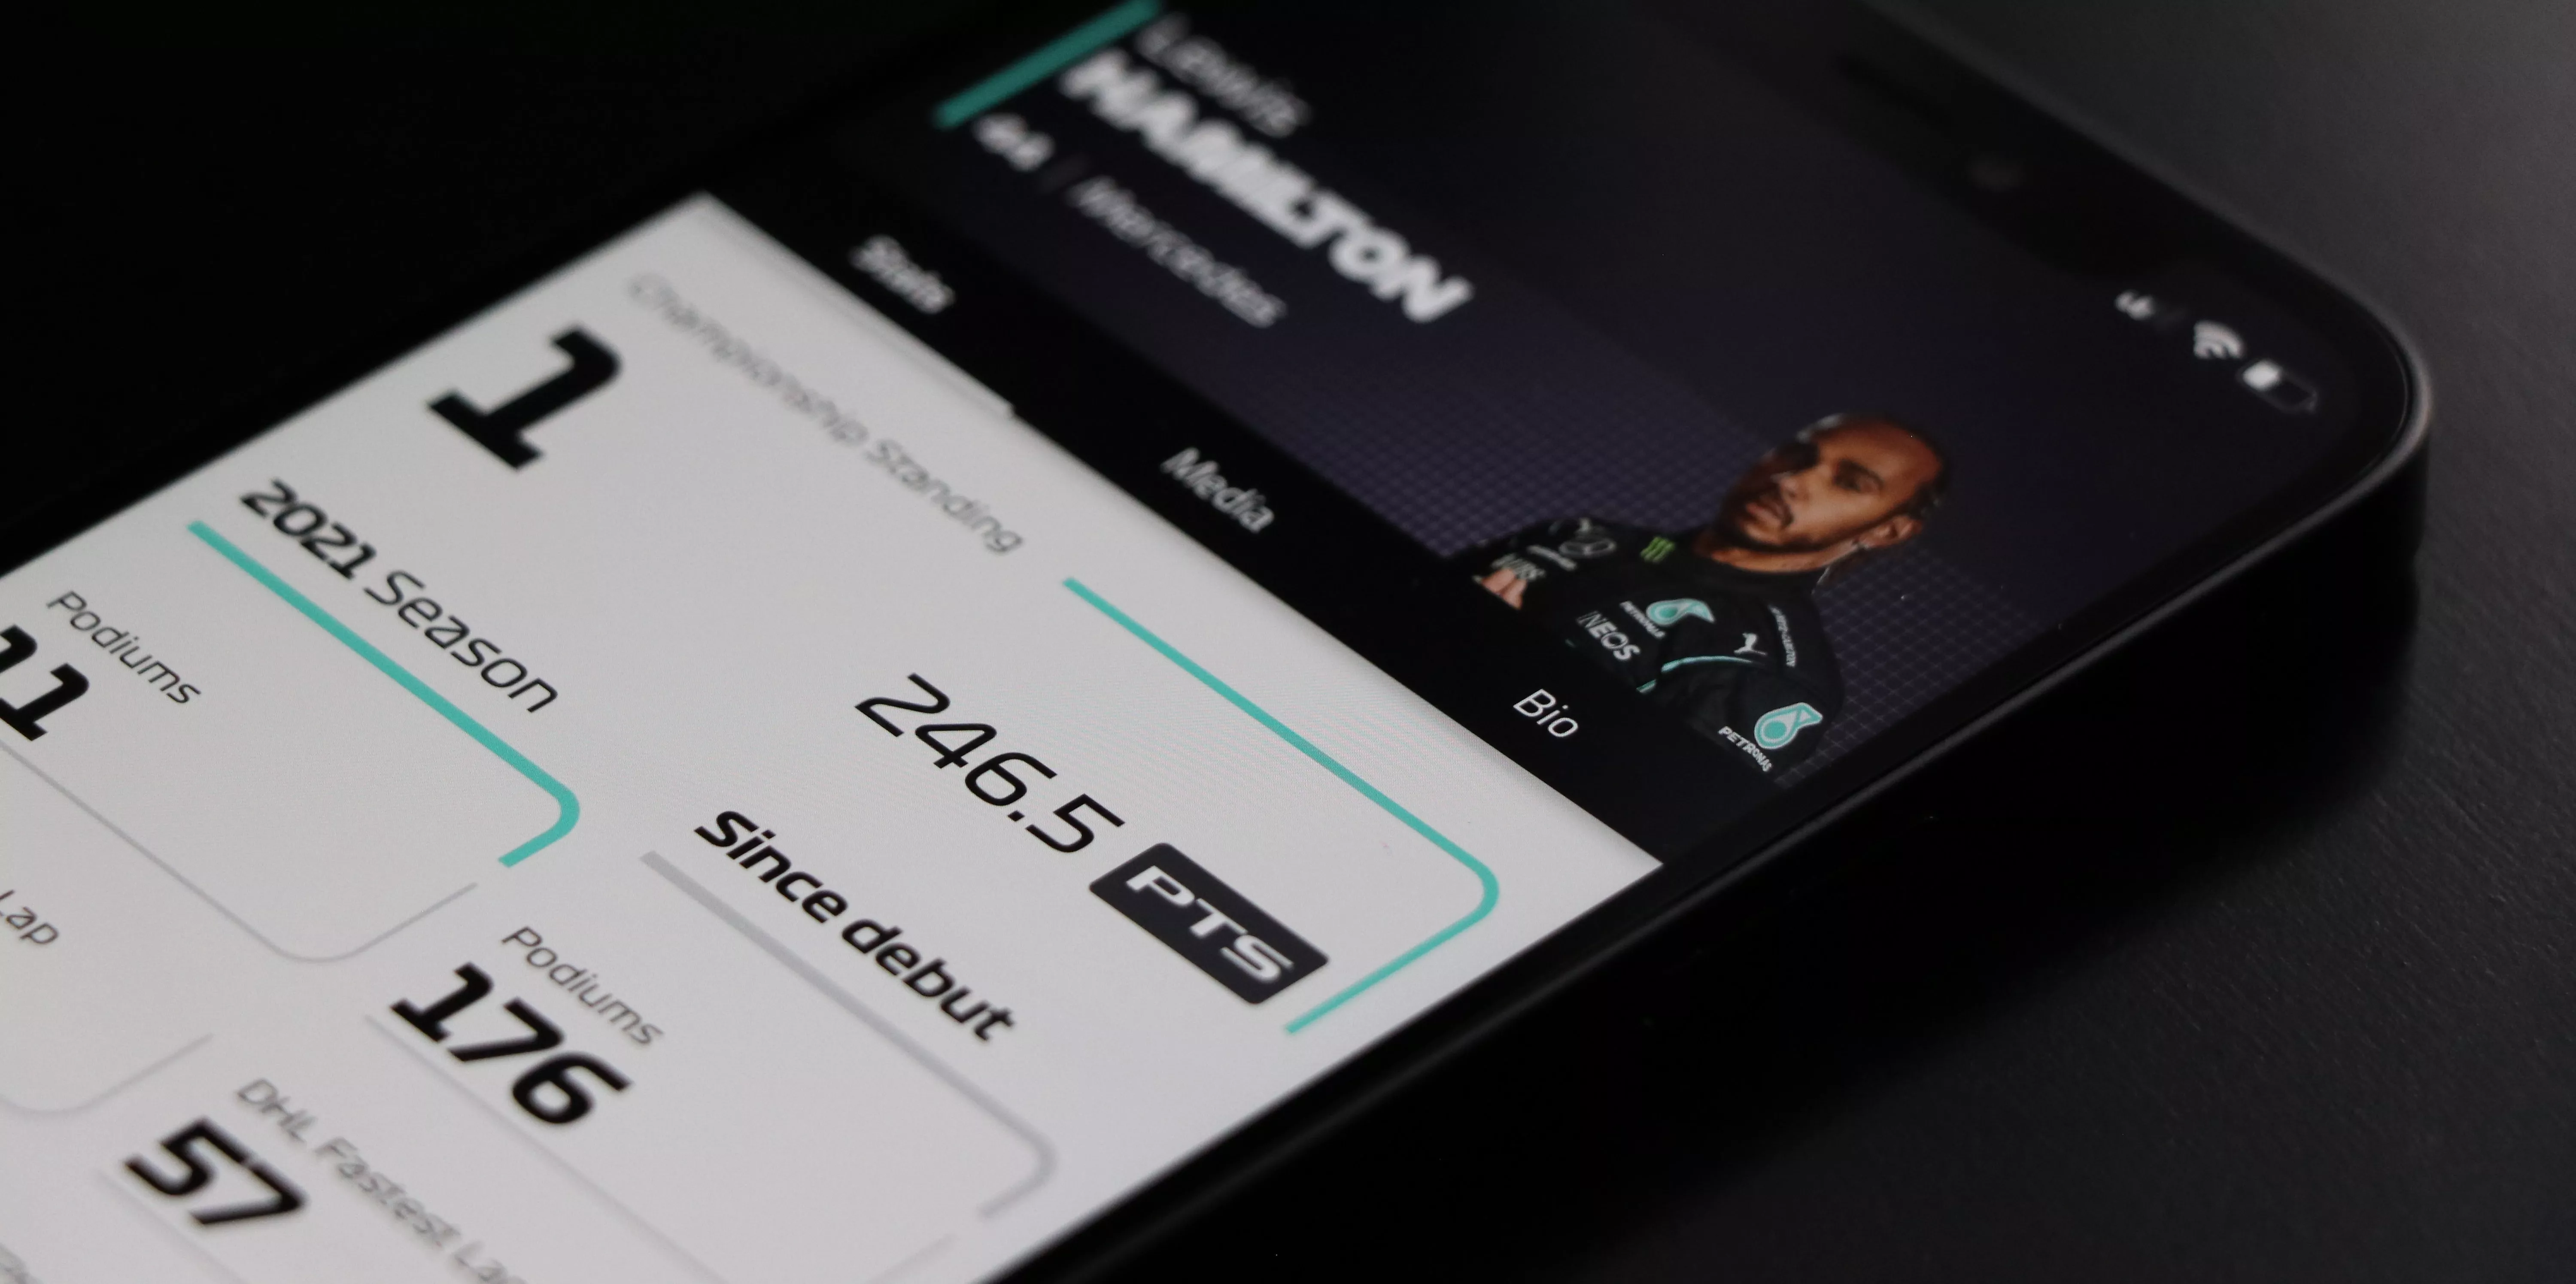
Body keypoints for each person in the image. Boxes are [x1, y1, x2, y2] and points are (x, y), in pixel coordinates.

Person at [1457, 413, 1948, 777]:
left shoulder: (1775, 679)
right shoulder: (1582, 532)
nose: (1791, 480)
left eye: (1850, 483)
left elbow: (1634, 805)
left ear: (1889, 530)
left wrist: (1504, 661)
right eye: (1797, 455)